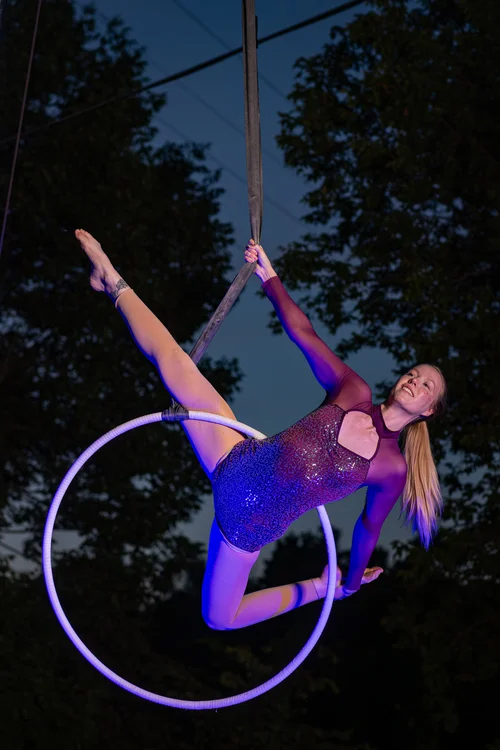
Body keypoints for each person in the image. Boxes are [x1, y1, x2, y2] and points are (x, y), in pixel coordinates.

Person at [75, 229, 446, 631]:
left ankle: (318, 589)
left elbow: (368, 527)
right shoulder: (353, 391)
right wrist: (269, 278)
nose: (414, 380)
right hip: (234, 460)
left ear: (429, 410)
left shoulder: (391, 468)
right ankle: (111, 279)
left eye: (426, 385)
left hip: (247, 527)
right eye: (413, 372)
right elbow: (304, 335)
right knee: (176, 364)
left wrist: (349, 584)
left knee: (220, 618)